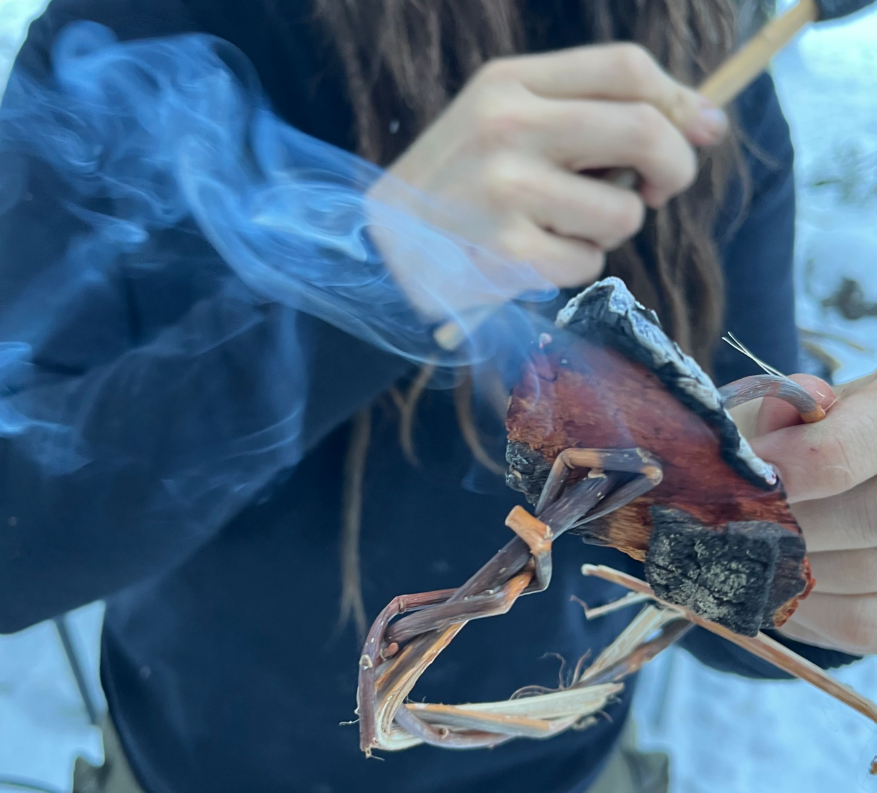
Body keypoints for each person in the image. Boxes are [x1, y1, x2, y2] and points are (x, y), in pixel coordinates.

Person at [1, 1, 875, 792]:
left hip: (564, 768)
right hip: (193, 766)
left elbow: (737, 577)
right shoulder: (134, 32)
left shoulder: (701, 67)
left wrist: (831, 550)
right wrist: (381, 263)